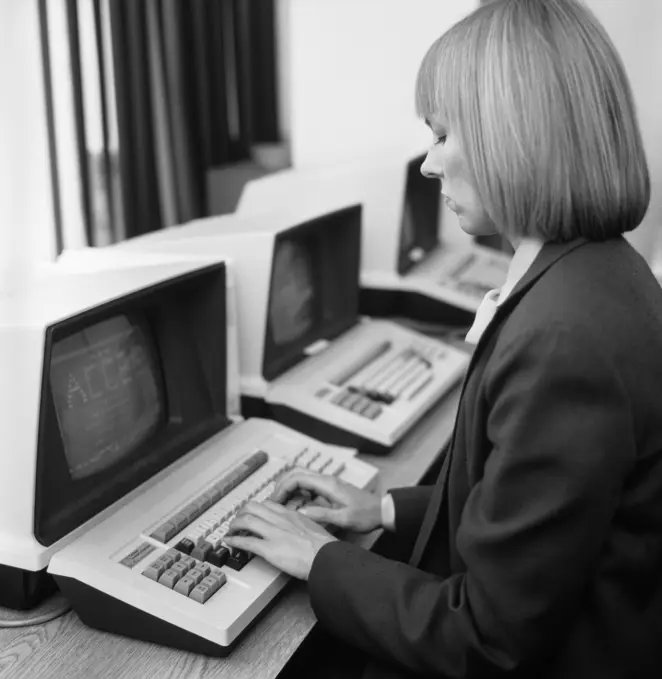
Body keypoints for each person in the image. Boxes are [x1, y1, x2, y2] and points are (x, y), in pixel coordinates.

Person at [225, 0, 662, 676]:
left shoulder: (563, 336)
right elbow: (534, 512)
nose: (428, 165)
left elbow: (488, 638)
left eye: (441, 134)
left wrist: (318, 557)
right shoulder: (602, 273)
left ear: (512, 134)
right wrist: (383, 506)